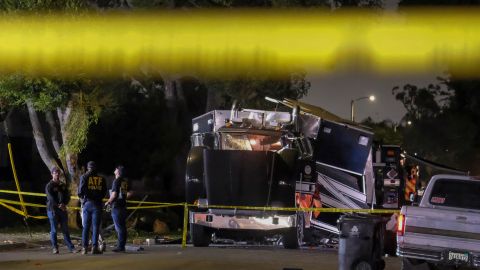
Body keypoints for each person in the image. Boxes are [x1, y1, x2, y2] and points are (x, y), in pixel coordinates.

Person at [78, 161, 107, 255]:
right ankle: (95, 247)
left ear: (88, 168)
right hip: (97, 205)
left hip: (87, 204)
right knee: (96, 227)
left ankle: (84, 248)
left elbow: (80, 192)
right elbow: (104, 192)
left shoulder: (84, 177)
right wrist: (98, 198)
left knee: (86, 227)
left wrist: (84, 200)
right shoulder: (101, 179)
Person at [45, 167, 76, 254]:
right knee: (54, 230)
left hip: (62, 210)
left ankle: (71, 248)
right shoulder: (49, 186)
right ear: (52, 174)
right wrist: (58, 205)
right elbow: (50, 198)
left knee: (65, 230)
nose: (57, 174)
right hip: (53, 210)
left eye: (58, 173)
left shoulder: (62, 185)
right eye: (55, 173)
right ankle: (55, 248)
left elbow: (67, 196)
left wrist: (64, 204)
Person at [105, 165, 132, 252]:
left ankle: (120, 247)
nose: (115, 169)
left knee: (119, 228)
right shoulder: (124, 181)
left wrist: (108, 202)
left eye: (116, 169)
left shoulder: (116, 181)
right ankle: (122, 245)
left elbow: (114, 194)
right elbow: (128, 194)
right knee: (122, 227)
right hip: (123, 206)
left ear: (118, 172)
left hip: (116, 207)